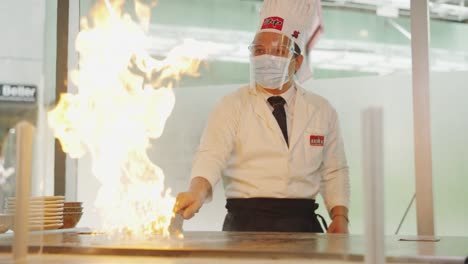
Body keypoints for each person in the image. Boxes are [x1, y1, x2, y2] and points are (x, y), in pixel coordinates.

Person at [173, 0, 350, 233]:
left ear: (297, 62)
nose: (266, 58)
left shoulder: (321, 109)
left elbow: (334, 170)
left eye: (278, 51)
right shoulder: (231, 105)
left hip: (303, 226)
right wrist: (196, 192)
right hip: (245, 225)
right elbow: (210, 156)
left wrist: (339, 216)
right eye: (259, 51)